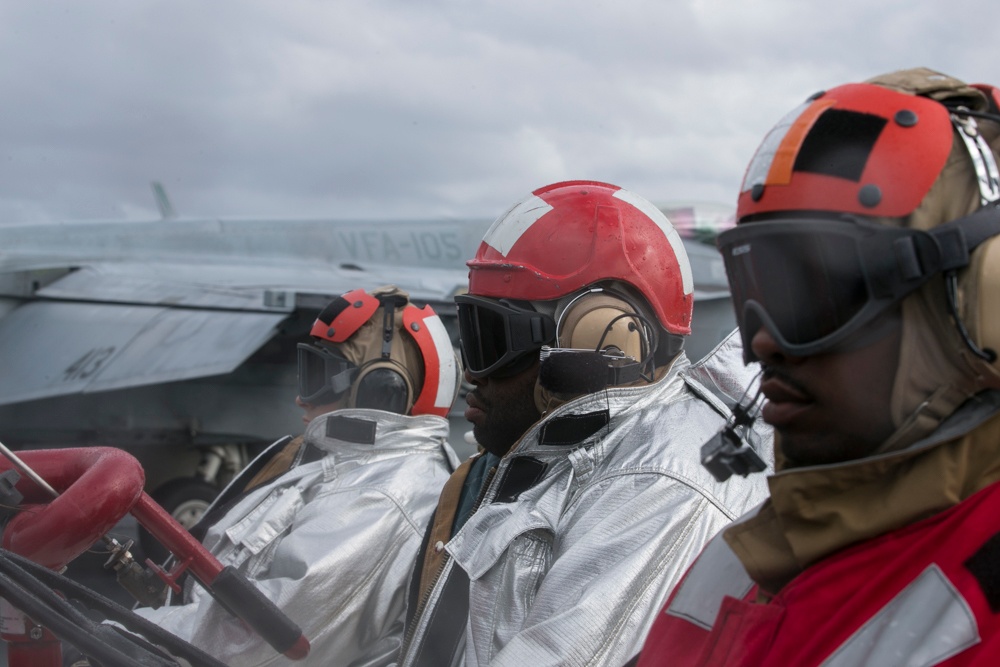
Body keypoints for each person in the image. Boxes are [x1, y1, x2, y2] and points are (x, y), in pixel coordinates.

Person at [637, 67, 1000, 666]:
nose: (765, 343)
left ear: (981, 302)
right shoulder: (739, 559)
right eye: (756, 287)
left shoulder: (977, 598)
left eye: (820, 291)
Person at [398, 180, 772, 667]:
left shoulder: (657, 484)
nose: (470, 373)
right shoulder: (580, 458)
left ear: (597, 343)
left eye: (490, 340)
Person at [131, 285, 461, 666]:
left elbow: (248, 645)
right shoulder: (347, 470)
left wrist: (118, 634)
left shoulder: (381, 500)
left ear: (379, 392)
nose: (301, 399)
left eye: (318, 376)